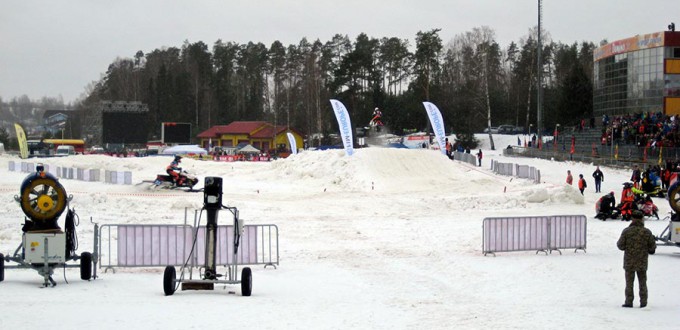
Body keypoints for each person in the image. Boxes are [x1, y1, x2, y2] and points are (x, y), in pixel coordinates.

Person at [617, 210, 656, 308]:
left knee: (629, 283)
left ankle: (629, 301)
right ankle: (643, 302)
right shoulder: (647, 232)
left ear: (632, 219)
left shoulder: (627, 231)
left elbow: (620, 245)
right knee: (642, 282)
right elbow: (652, 248)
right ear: (642, 219)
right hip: (642, 262)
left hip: (629, 262)